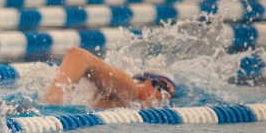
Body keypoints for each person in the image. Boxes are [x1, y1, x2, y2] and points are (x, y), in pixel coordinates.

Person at [43, 47, 177, 109]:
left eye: (170, 95)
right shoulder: (129, 90)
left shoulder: (130, 105)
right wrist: (52, 105)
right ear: (143, 81)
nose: (164, 96)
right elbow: (78, 55)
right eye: (161, 86)